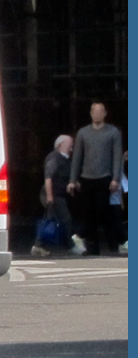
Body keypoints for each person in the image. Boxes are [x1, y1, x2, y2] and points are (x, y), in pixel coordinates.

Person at [68, 101, 124, 256]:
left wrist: (116, 178)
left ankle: (83, 235)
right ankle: (93, 246)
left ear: (105, 113)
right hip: (87, 178)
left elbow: (117, 157)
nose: (97, 114)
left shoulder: (113, 132)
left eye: (100, 111)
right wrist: (73, 180)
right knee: (89, 213)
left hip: (105, 177)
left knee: (102, 210)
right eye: (94, 111)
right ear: (91, 113)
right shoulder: (83, 133)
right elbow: (77, 157)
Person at [32, 135, 84, 256]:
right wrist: (50, 197)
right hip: (54, 195)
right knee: (65, 219)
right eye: (69, 144)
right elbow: (48, 178)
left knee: (50, 220)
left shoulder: (66, 160)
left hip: (60, 195)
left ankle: (38, 246)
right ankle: (70, 246)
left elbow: (69, 175)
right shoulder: (54, 158)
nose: (72, 148)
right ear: (60, 145)